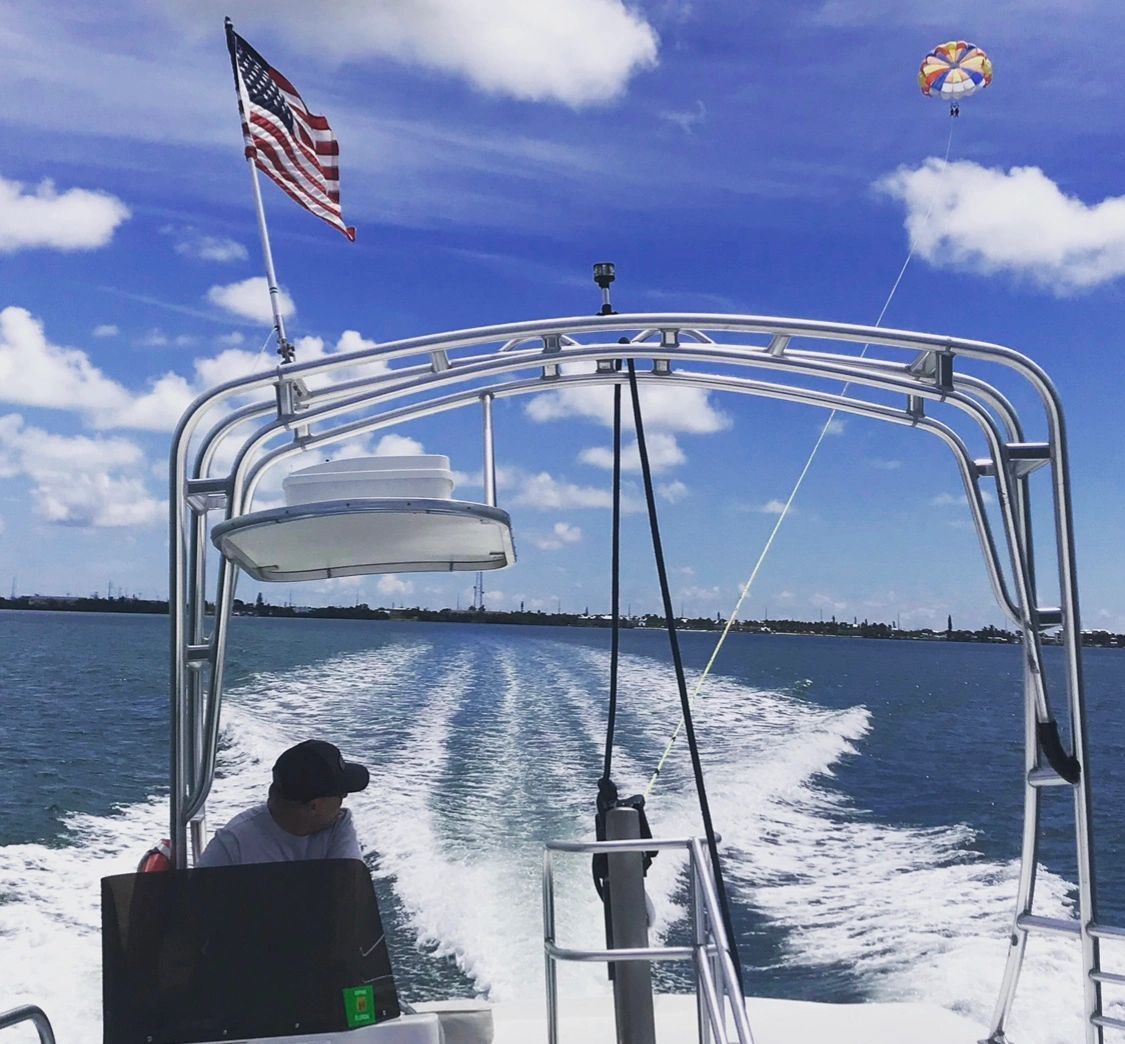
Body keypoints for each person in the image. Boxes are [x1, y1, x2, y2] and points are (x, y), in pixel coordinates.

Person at [197, 739, 369, 867]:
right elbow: (195, 902)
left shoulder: (339, 825)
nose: (344, 798)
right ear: (314, 806)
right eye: (340, 794)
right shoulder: (234, 842)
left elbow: (350, 893)